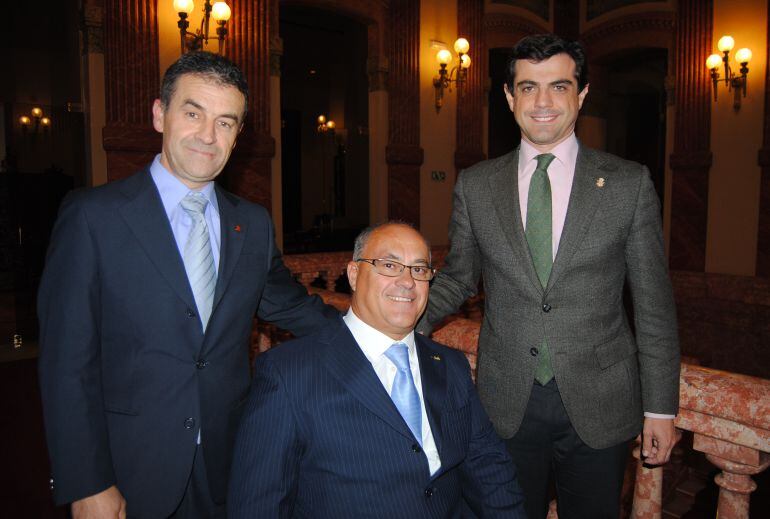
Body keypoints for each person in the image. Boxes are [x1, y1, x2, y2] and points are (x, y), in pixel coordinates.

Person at [37, 51, 338, 518]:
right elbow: (65, 363)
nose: (207, 136)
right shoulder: (92, 217)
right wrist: (88, 481)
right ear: (160, 114)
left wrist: (377, 333)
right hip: (129, 467)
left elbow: (294, 307)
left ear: (239, 136)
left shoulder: (252, 224)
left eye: (225, 122)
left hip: (226, 461)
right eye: (193, 113)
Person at [417, 34, 680, 519]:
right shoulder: (476, 185)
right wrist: (397, 327)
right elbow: (457, 279)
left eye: (558, 87)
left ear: (581, 95)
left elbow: (653, 304)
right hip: (505, 401)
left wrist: (660, 407)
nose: (543, 102)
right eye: (528, 87)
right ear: (508, 97)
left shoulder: (627, 183)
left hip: (601, 403)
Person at [228, 222, 526, 518]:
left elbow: (490, 468)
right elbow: (259, 504)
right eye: (389, 265)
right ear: (354, 274)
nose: (407, 281)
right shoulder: (288, 373)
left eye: (419, 269)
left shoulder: (450, 364)